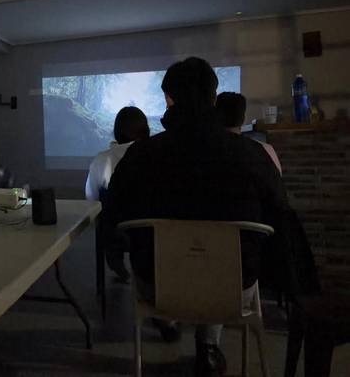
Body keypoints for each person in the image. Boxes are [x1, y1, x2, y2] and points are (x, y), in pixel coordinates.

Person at [106, 57, 308, 377]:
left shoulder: (140, 155)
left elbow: (113, 214)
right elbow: (281, 216)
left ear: (169, 99)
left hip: (158, 287)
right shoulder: (251, 154)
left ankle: (170, 322)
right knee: (223, 261)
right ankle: (209, 347)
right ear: (213, 98)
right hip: (235, 289)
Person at [85, 106, 149, 281]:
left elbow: (91, 198)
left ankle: (115, 260)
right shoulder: (156, 156)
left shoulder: (101, 159)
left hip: (115, 233)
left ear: (116, 131)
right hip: (151, 231)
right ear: (146, 130)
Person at [215, 92, 282, 174]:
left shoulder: (206, 152)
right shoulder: (266, 149)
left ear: (216, 116)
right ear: (243, 118)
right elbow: (278, 177)